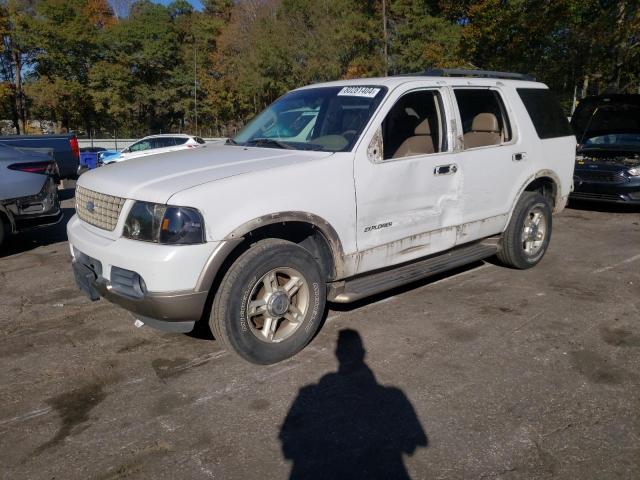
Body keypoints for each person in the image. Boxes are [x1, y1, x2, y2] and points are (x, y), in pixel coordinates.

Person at [280, 329, 428, 479]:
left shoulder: (310, 392)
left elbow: (288, 445)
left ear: (337, 353)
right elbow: (412, 444)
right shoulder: (395, 395)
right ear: (363, 352)